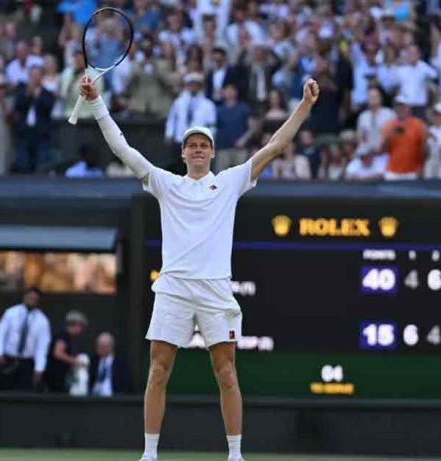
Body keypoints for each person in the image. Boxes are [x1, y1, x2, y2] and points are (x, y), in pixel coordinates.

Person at [81, 75, 320, 461]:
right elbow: (121, 147)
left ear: (212, 152)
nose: (197, 150)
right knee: (158, 370)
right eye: (191, 145)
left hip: (214, 289)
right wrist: (96, 103)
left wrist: (305, 106)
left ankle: (235, 455)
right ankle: (150, 454)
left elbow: (275, 145)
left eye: (203, 145)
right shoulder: (165, 184)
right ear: (183, 152)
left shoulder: (229, 182)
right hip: (173, 287)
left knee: (226, 372)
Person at [0, 287, 51, 391]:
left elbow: (42, 347)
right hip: (8, 359)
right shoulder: (11, 313)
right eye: (30, 297)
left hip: (27, 362)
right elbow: (0, 333)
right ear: (24, 297)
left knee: (24, 392)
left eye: (34, 298)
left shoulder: (42, 321)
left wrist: (39, 368)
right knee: (3, 389)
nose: (31, 300)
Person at [44, 310, 88, 393]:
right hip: (56, 376)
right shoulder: (63, 336)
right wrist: (76, 362)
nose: (82, 329)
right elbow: (58, 353)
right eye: (81, 326)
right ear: (75, 324)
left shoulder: (70, 338)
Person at [89, 332, 131, 397]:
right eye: (98, 346)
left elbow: (125, 383)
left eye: (102, 347)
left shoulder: (120, 363)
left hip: (113, 399)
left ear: (110, 347)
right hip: (94, 398)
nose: (98, 349)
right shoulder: (93, 361)